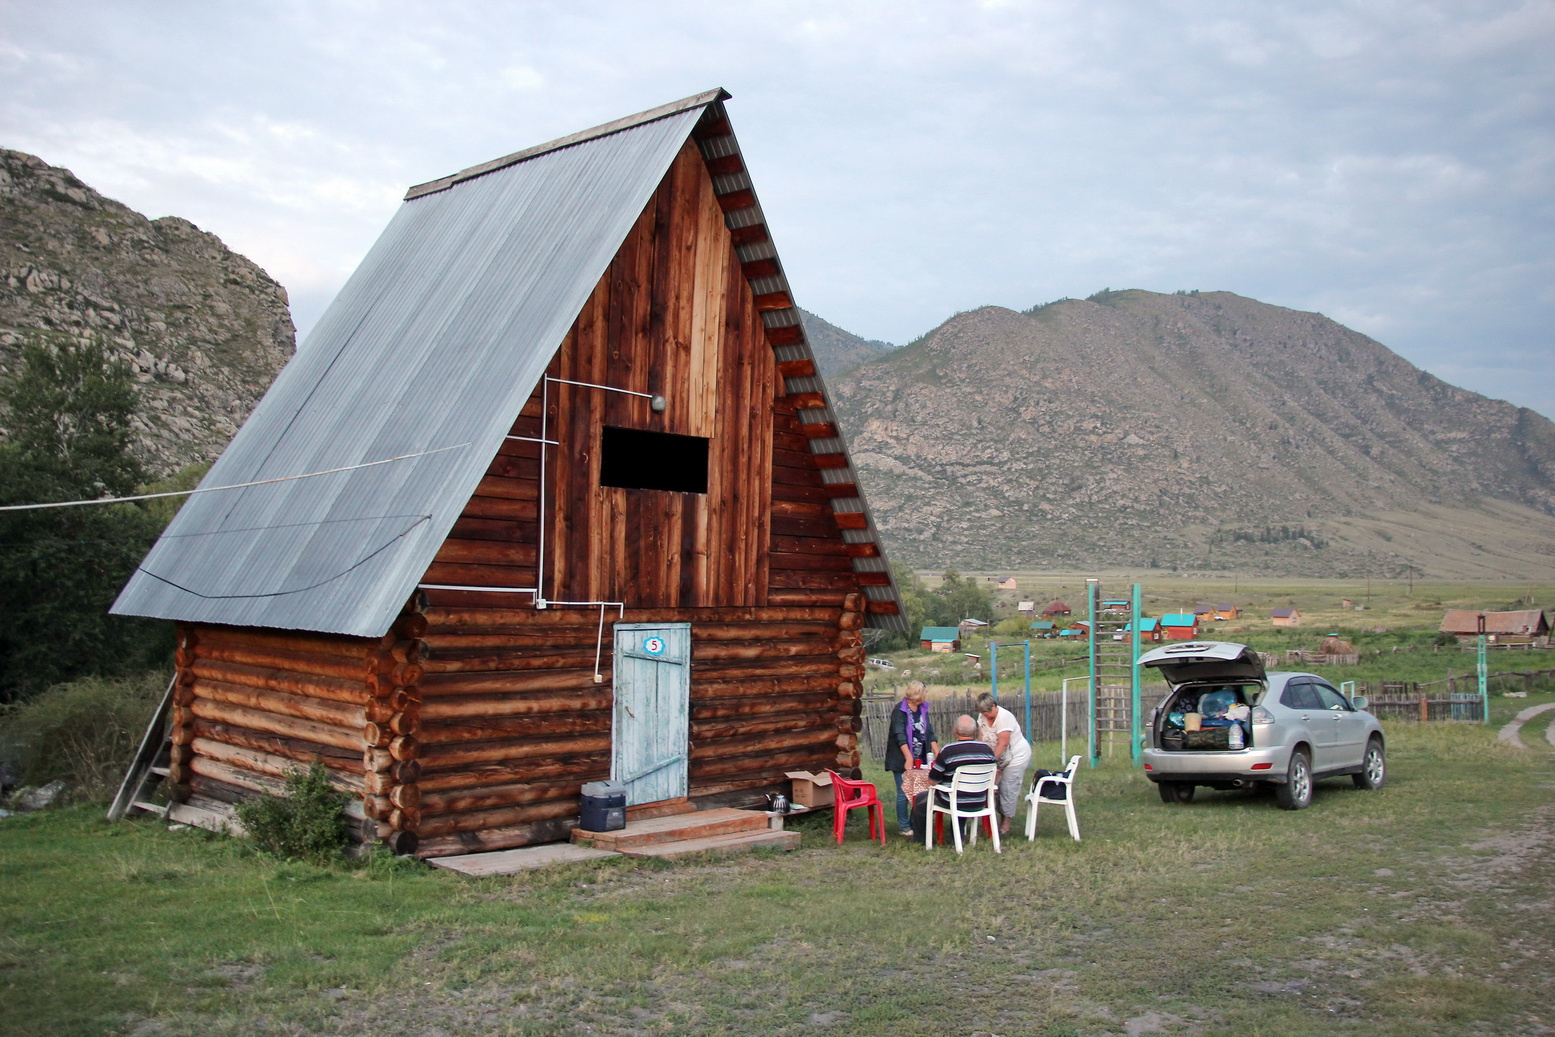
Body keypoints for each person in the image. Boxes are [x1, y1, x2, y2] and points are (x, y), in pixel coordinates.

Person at [908, 714, 997, 841]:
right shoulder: (987, 750)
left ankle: (920, 839)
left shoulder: (949, 750)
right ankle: (956, 837)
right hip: (979, 799)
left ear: (955, 731)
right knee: (960, 793)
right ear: (975, 731)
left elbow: (933, 780)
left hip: (955, 800)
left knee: (921, 799)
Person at [884, 680, 938, 837]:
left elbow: (930, 732)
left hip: (921, 757)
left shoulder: (923, 709)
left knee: (920, 791)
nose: (925, 696)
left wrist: (937, 753)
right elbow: (899, 735)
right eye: (923, 693)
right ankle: (904, 826)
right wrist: (908, 757)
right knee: (903, 792)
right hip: (901, 758)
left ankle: (915, 823)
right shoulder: (900, 710)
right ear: (917, 694)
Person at [976, 691, 1032, 835]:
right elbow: (981, 739)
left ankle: (1005, 824)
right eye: (982, 713)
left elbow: (1003, 744)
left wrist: (991, 762)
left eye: (987, 712)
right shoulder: (982, 717)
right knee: (993, 788)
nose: (985, 715)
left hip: (1015, 756)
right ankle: (991, 821)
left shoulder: (1004, 717)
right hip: (996, 757)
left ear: (994, 707)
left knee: (1008, 787)